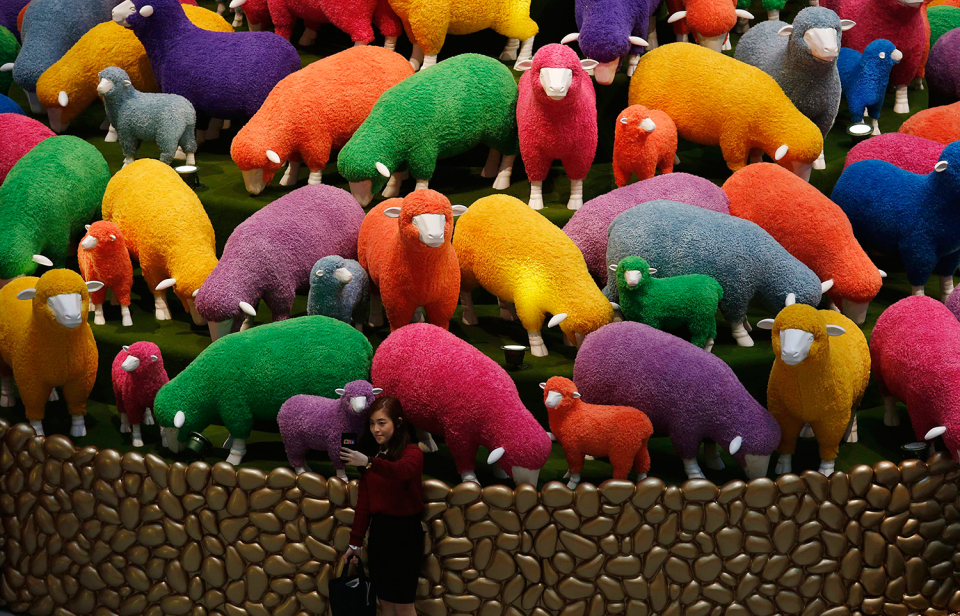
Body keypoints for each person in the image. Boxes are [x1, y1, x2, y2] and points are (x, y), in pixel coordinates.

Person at [340, 396, 424, 616]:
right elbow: (364, 504)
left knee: (404, 605)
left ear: (398, 422)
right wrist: (355, 543)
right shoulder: (373, 458)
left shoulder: (412, 453)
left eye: (381, 423)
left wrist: (368, 462)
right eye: (371, 423)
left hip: (406, 535)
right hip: (379, 535)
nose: (375, 429)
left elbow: (401, 471)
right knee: (384, 602)